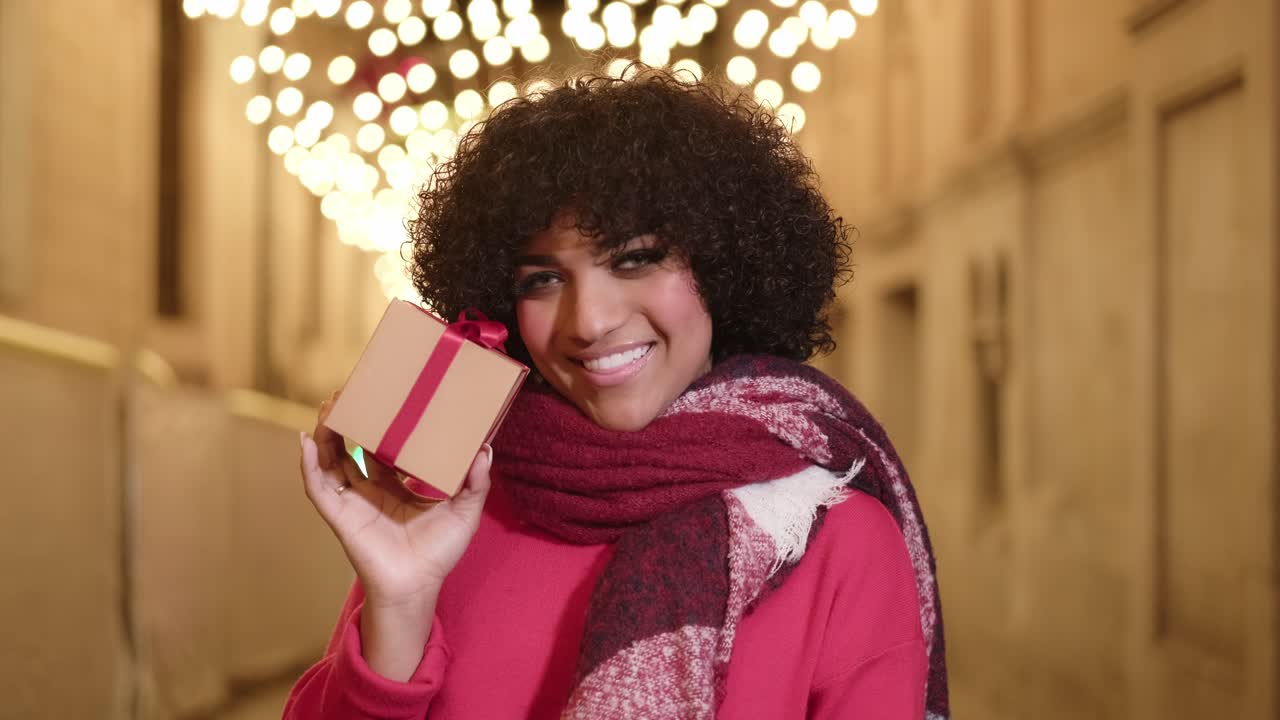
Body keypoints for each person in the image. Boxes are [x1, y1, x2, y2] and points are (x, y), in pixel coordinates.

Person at [285, 68, 948, 720]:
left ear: (723, 266)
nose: (589, 321)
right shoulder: (447, 518)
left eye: (635, 259)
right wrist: (399, 606)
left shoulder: (838, 541)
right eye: (542, 280)